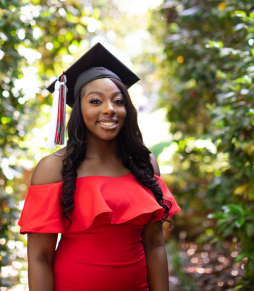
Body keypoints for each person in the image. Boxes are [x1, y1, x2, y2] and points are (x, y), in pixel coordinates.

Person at [18, 43, 181, 291]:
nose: (109, 109)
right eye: (95, 101)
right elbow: (40, 257)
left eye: (118, 101)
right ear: (78, 109)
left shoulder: (144, 164)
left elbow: (155, 245)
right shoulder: (52, 169)